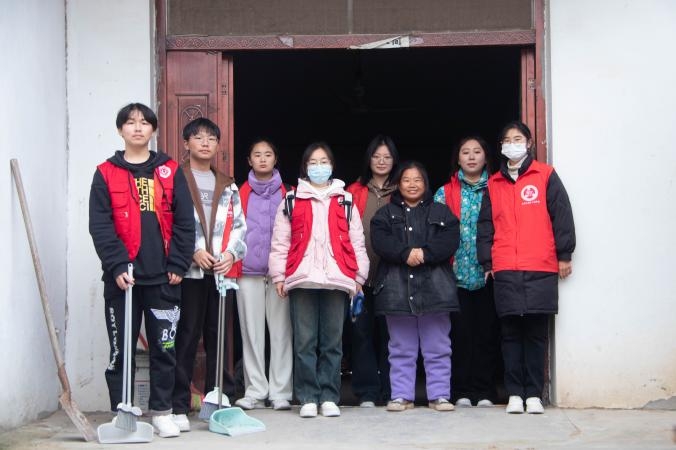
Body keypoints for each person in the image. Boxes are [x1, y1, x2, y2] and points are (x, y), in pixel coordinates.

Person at [89, 103, 194, 438]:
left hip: (164, 277)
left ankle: (162, 412)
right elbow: (100, 225)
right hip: (123, 280)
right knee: (121, 352)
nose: (137, 127)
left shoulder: (169, 170)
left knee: (165, 349)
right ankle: (123, 413)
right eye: (130, 122)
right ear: (120, 129)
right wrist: (117, 264)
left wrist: (178, 263)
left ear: (153, 130)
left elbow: (184, 221)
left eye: (144, 122)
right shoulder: (105, 173)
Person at [477, 121, 576, 414]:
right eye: (507, 140)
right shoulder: (493, 183)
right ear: (501, 147)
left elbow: (561, 214)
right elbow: (485, 226)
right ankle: (514, 394)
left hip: (540, 265)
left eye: (518, 139)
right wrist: (487, 261)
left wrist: (564, 254)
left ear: (529, 143)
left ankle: (533, 394)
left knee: (535, 333)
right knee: (509, 334)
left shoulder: (545, 175)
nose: (513, 144)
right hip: (506, 266)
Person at [269, 142, 369, 418]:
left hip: (337, 279)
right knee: (304, 342)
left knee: (332, 343)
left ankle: (329, 396)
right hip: (302, 279)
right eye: (313, 162)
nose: (319, 167)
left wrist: (359, 275)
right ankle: (308, 397)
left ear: (332, 166)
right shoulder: (291, 200)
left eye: (323, 161)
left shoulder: (345, 201)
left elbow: (357, 242)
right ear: (305, 167)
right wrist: (279, 275)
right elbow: (280, 242)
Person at [170, 118, 247, 431]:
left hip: (220, 273)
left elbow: (239, 226)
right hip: (189, 273)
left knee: (220, 337)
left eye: (211, 138)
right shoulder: (175, 179)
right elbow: (168, 221)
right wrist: (192, 252)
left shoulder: (227, 184)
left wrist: (229, 255)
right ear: (186, 143)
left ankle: (221, 400)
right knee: (186, 336)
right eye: (198, 137)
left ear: (217, 145)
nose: (205, 143)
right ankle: (178, 404)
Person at [371, 161, 460, 412]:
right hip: (396, 290)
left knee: (438, 347)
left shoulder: (442, 212)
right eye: (406, 180)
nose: (412, 184)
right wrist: (405, 253)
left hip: (436, 290)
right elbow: (380, 241)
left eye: (417, 179)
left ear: (425, 183)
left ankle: (439, 395)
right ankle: (402, 396)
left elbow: (451, 239)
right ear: (398, 184)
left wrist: (425, 254)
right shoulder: (385, 215)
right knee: (401, 348)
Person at [433, 136, 500, 408]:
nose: (471, 157)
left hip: (489, 275)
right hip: (454, 276)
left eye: (477, 152)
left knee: (486, 334)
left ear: (486, 157)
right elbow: (434, 234)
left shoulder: (497, 188)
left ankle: (485, 391)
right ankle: (460, 390)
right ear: (458, 159)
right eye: (465, 152)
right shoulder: (444, 193)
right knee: (458, 336)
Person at [234, 139, 293, 411]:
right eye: (256, 155)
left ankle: (281, 391)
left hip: (280, 275)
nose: (262, 159)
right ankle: (255, 390)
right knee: (251, 333)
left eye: (268, 154)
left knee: (281, 333)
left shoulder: (289, 193)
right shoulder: (239, 193)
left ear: (275, 159)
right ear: (249, 160)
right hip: (248, 272)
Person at [345, 135, 399, 407]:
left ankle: (392, 390)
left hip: (394, 277)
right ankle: (367, 391)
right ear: (368, 159)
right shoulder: (354, 191)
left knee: (392, 336)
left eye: (387, 157)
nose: (381, 161)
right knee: (361, 335)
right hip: (359, 278)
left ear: (394, 161)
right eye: (376, 156)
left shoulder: (402, 190)